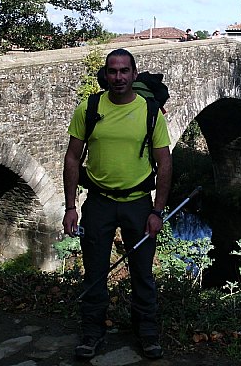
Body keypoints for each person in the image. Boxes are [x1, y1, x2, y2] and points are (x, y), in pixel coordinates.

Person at [62, 48, 172, 360]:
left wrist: (157, 211)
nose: (119, 77)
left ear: (134, 74)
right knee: (95, 271)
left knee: (142, 272)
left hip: (138, 204)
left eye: (124, 71)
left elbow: (164, 164)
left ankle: (147, 332)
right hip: (98, 203)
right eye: (113, 71)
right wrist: (70, 206)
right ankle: (92, 332)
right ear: (106, 75)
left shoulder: (150, 112)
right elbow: (72, 157)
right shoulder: (91, 106)